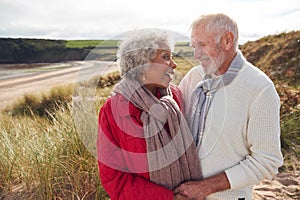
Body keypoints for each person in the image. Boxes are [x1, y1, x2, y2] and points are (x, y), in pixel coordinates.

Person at [174, 13, 284, 199]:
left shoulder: (260, 89)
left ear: (227, 40)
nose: (196, 55)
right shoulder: (193, 77)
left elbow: (267, 161)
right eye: (194, 46)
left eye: (202, 45)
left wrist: (205, 187)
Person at [97, 29, 202, 200]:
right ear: (142, 65)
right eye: (165, 57)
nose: (174, 64)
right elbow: (115, 179)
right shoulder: (113, 111)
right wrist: (170, 198)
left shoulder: (175, 97)